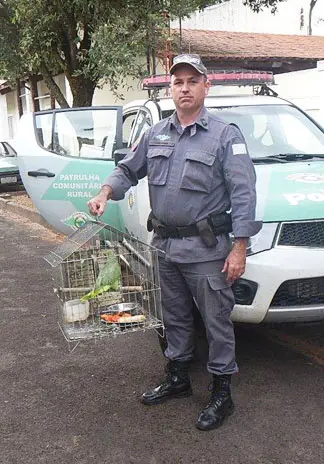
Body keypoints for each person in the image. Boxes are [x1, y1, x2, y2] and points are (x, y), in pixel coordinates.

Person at [87, 54, 261, 431]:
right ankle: (179, 377)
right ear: (171, 88)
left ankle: (221, 391)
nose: (184, 87)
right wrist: (105, 192)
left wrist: (240, 246)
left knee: (216, 321)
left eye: (192, 81)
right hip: (164, 246)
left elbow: (244, 193)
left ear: (205, 86)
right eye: (178, 81)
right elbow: (127, 169)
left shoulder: (225, 134)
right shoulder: (156, 133)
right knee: (174, 317)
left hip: (207, 251)